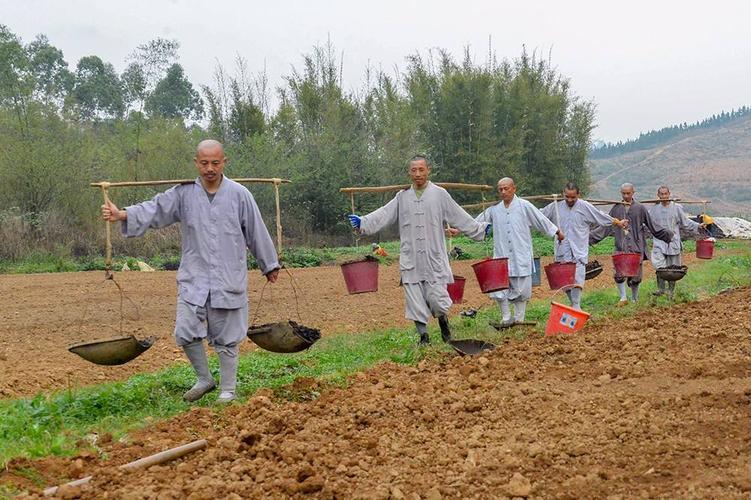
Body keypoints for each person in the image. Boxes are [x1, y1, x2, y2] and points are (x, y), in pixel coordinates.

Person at [101, 140, 280, 403]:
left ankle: (227, 389)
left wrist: (269, 264)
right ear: (196, 163)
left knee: (227, 337)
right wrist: (123, 215)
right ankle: (205, 379)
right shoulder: (183, 193)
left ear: (224, 163)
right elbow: (156, 208)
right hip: (194, 277)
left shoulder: (240, 195)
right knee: (185, 330)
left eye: (215, 163)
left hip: (227, 277)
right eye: (204, 163)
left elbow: (256, 231)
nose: (209, 168)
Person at [347, 155, 488, 345]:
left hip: (433, 256)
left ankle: (443, 322)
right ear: (409, 173)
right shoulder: (402, 196)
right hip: (411, 256)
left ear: (428, 170)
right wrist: (363, 222)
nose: (417, 174)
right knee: (414, 299)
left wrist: (479, 229)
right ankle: (423, 336)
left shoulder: (440, 194)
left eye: (421, 169)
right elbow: (384, 214)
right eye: (414, 170)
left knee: (436, 297)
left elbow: (458, 215)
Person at [472, 177, 563, 326]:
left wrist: (557, 231)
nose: (503, 192)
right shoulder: (494, 210)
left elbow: (540, 220)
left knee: (521, 289)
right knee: (499, 288)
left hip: (520, 253)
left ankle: (519, 318)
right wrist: (459, 229)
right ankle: (506, 317)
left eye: (506, 188)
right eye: (500, 189)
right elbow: (476, 224)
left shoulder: (524, 206)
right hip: (501, 255)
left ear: (514, 188)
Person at [542, 182, 628, 310]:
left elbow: (600, 216)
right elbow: (539, 216)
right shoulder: (555, 206)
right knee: (564, 280)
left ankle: (576, 305)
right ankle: (574, 303)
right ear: (563, 194)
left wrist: (617, 222)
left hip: (578, 249)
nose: (570, 200)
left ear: (578, 195)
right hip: (562, 248)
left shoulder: (585, 206)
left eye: (573, 197)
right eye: (567, 197)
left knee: (577, 278)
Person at [591, 183, 673, 305]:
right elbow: (607, 225)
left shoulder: (640, 208)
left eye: (628, 193)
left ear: (633, 193)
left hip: (636, 246)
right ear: (621, 193)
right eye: (623, 193)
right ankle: (623, 298)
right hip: (621, 246)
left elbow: (652, 225)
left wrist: (667, 235)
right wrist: (589, 238)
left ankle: (634, 298)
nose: (626, 195)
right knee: (619, 272)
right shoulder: (616, 208)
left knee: (636, 275)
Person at [648, 186, 705, 298]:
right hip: (659, 242)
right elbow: (646, 221)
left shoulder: (676, 207)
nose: (664, 196)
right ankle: (661, 289)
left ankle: (671, 291)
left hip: (673, 241)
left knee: (673, 268)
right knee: (659, 266)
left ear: (669, 194)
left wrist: (698, 226)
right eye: (661, 194)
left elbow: (685, 222)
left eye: (666, 194)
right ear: (658, 195)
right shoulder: (654, 209)